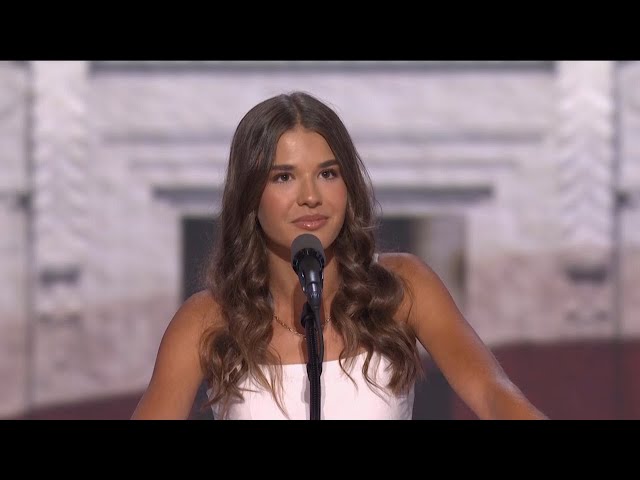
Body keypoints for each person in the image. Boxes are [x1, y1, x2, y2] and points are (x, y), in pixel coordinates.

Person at [131, 91, 547, 420]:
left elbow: (495, 396)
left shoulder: (401, 287)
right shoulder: (207, 319)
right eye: (284, 177)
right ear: (250, 194)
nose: (310, 197)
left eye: (328, 174)